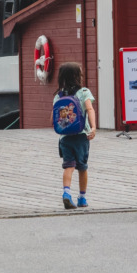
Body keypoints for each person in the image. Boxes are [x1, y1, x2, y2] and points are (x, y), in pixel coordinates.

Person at [54, 62, 96, 210]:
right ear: (78, 76)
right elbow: (90, 109)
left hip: (64, 137)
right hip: (81, 136)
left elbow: (53, 117)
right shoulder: (84, 92)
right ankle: (82, 198)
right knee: (82, 167)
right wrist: (93, 127)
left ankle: (66, 193)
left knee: (69, 166)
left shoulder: (58, 95)